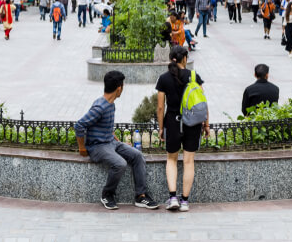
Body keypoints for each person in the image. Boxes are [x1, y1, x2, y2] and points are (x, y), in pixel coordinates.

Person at [75, 70, 159, 211]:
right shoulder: (99, 107)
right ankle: (107, 194)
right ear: (119, 88)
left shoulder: (110, 103)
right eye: (123, 85)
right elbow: (79, 125)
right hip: (98, 147)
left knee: (137, 155)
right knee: (120, 163)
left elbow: (105, 126)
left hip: (110, 142)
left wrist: (118, 141)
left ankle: (140, 196)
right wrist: (82, 148)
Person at [155, 46, 207, 212]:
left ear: (171, 59)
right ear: (184, 58)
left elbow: (160, 107)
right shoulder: (193, 76)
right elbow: (202, 102)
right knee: (188, 161)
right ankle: (185, 201)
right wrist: (206, 123)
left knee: (171, 159)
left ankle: (172, 198)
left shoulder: (163, 78)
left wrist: (161, 128)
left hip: (172, 121)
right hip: (192, 123)